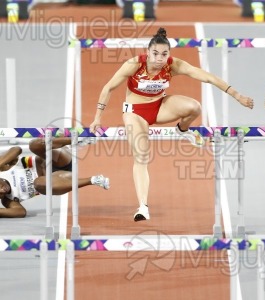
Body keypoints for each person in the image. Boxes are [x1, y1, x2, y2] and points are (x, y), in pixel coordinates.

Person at [89, 27, 254, 222]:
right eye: (155, 53)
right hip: (135, 113)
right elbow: (108, 88)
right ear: (148, 52)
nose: (160, 58)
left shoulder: (173, 65)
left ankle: (182, 130)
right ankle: (143, 206)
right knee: (142, 155)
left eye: (164, 54)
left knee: (195, 107)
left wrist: (237, 95)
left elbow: (207, 77)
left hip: (160, 107)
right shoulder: (133, 64)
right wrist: (97, 117)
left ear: (169, 54)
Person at [0, 137, 110, 220]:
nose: (2, 192)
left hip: (58, 159)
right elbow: (21, 212)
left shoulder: (2, 166)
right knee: (39, 183)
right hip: (60, 178)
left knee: (34, 145)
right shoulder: (8, 200)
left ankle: (76, 140)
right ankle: (94, 180)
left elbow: (16, 150)